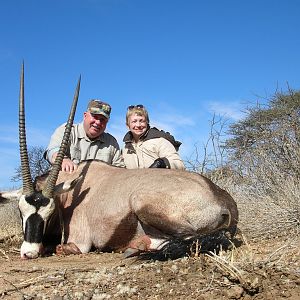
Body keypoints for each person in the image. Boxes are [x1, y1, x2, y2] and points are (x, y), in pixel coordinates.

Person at [45, 99, 125, 172]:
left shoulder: (112, 142)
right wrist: (63, 160)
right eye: (95, 117)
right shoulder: (67, 130)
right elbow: (52, 150)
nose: (98, 122)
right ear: (85, 115)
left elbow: (120, 169)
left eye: (102, 120)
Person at [122, 104, 185, 169]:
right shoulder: (125, 149)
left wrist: (162, 163)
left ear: (147, 122)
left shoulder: (160, 141)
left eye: (142, 121)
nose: (138, 125)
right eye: (134, 121)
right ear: (128, 125)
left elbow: (179, 165)